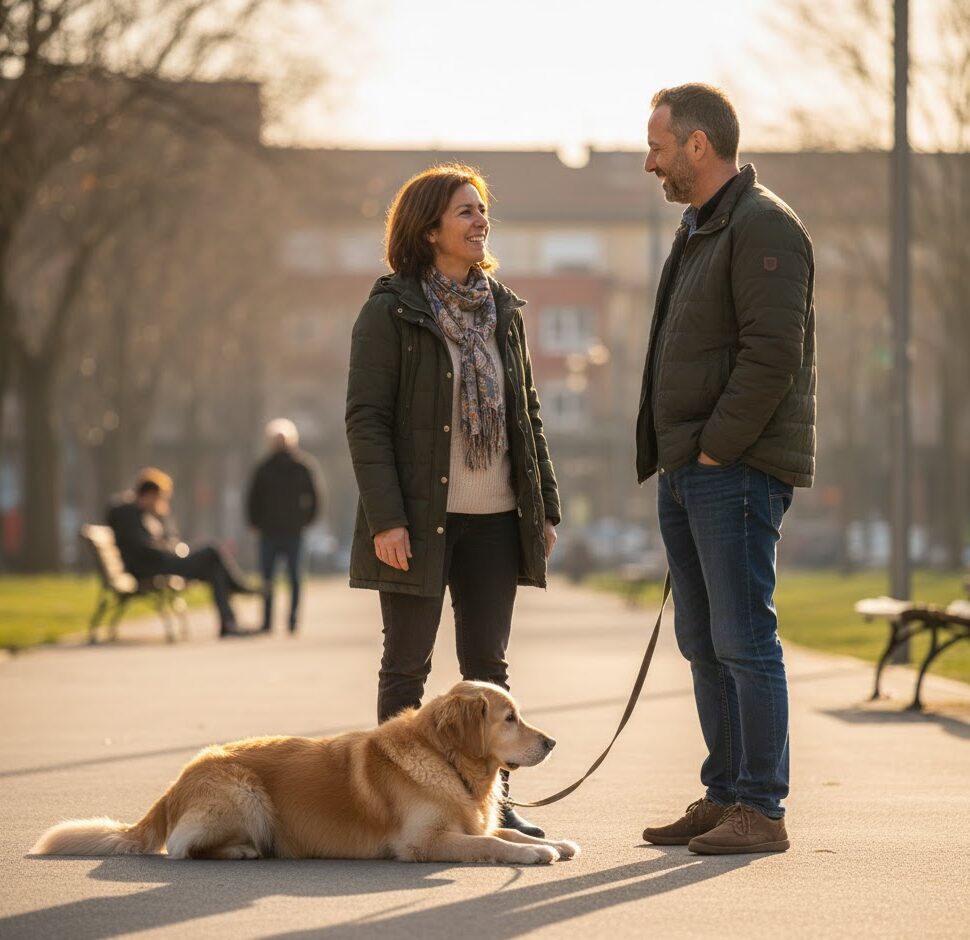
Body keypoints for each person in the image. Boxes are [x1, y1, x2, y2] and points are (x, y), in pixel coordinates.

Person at [345, 163, 560, 837]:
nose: (480, 221)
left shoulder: (504, 311)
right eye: (465, 211)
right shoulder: (391, 310)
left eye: (482, 210)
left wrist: (543, 506)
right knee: (406, 666)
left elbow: (526, 412)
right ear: (428, 227)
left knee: (488, 671)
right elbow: (366, 419)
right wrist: (387, 519)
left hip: (496, 519)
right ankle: (388, 804)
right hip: (417, 520)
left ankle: (490, 805)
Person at [636, 84, 816, 854]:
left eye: (659, 145)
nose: (652, 161)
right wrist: (683, 455)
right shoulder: (700, 226)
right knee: (704, 642)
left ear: (698, 146)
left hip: (733, 468)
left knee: (744, 638)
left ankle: (761, 809)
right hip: (689, 466)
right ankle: (723, 794)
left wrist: (716, 447)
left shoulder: (763, 225)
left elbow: (773, 355)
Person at [107, 468, 259, 638]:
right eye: (159, 498)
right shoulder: (128, 513)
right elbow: (144, 547)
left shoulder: (142, 514)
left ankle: (229, 623)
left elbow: (160, 540)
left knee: (214, 570)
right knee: (211, 550)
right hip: (149, 567)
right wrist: (169, 550)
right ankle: (238, 586)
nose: (160, 503)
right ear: (149, 494)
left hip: (158, 563)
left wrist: (163, 526)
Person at [246, 418, 322, 634]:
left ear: (292, 440)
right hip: (268, 532)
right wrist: (254, 523)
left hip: (294, 532)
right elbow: (253, 498)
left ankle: (292, 621)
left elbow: (316, 498)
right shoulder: (263, 468)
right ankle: (267, 622)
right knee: (267, 578)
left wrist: (307, 521)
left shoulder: (303, 467)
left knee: (295, 579)